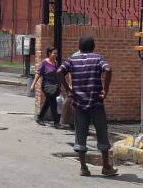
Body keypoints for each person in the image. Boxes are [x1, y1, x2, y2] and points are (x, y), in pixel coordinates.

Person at [58, 36, 118, 177]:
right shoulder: (98, 58)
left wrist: (68, 90)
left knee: (80, 134)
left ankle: (84, 168)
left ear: (79, 47)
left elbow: (59, 72)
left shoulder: (72, 60)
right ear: (93, 47)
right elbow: (108, 70)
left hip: (79, 103)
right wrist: (105, 90)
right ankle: (106, 166)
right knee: (102, 132)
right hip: (96, 102)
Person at [29, 47, 61, 128]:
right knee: (53, 103)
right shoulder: (44, 63)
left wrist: (60, 85)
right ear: (49, 53)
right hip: (46, 86)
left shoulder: (56, 63)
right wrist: (33, 85)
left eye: (56, 53)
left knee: (48, 102)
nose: (56, 55)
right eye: (54, 53)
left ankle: (40, 117)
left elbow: (57, 75)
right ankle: (56, 122)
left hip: (54, 86)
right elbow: (38, 74)